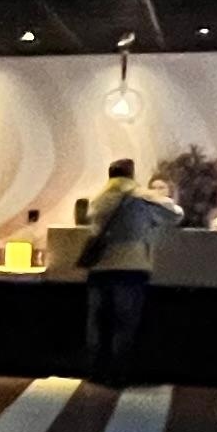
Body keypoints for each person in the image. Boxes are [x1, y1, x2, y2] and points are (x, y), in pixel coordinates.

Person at [78, 158, 176, 384]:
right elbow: (175, 213)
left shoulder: (99, 199)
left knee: (97, 323)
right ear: (132, 175)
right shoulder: (140, 200)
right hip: (131, 268)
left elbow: (90, 224)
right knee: (124, 324)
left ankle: (95, 371)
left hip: (100, 269)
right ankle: (117, 373)